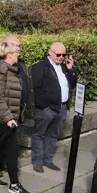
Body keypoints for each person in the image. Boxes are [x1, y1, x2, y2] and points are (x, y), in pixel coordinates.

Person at [0, 41, 31, 193]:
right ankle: (14, 184)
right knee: (12, 150)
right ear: (9, 54)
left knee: (0, 145)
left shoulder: (11, 70)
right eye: (17, 52)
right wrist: (9, 118)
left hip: (7, 116)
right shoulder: (0, 70)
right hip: (2, 118)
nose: (19, 54)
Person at [30, 42, 78, 173]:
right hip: (47, 109)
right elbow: (35, 88)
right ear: (50, 52)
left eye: (63, 54)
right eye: (58, 54)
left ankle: (48, 160)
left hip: (61, 107)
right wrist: (44, 106)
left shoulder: (63, 67)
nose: (61, 57)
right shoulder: (40, 67)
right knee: (39, 135)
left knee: (53, 135)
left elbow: (72, 85)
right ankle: (38, 161)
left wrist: (70, 70)